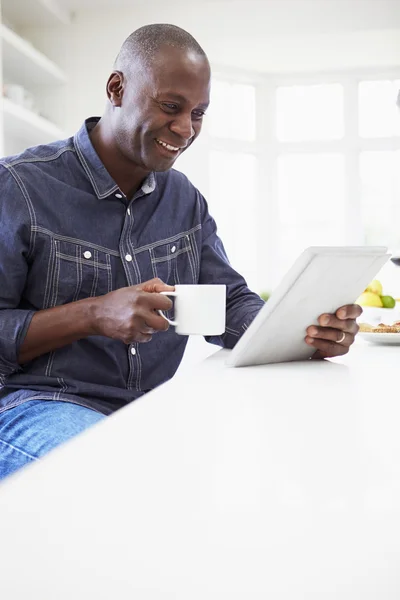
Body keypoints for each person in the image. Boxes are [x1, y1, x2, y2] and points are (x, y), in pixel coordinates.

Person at [0, 24, 361, 480]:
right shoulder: (18, 186)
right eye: (171, 107)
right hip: (37, 408)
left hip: (152, 409)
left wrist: (304, 333)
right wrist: (93, 314)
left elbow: (228, 301)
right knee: (110, 477)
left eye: (199, 113)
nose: (186, 129)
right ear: (117, 89)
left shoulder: (183, 200)